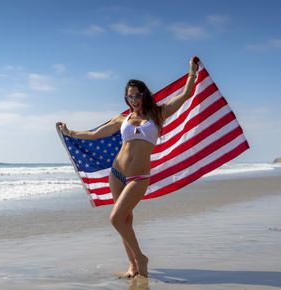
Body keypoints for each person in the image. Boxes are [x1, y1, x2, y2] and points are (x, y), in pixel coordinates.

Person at [56, 58, 199, 278]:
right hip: (116, 174)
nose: (134, 99)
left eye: (137, 95)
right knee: (125, 220)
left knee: (115, 218)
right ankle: (132, 265)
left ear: (144, 94)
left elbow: (186, 95)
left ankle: (141, 258)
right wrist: (70, 132)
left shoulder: (157, 114)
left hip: (138, 177)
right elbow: (95, 135)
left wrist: (191, 72)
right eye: (130, 96)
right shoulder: (121, 119)